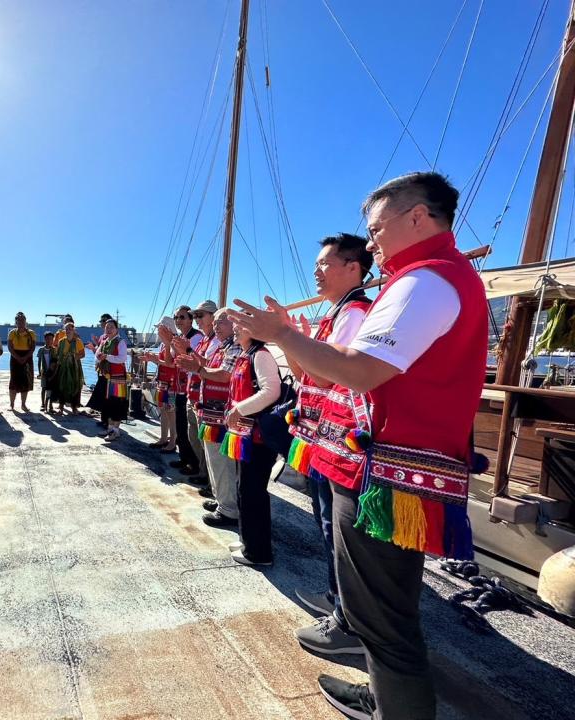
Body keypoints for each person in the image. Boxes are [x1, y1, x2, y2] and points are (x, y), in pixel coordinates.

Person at [228, 172, 487, 720]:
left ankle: (397, 710)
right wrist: (290, 336)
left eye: (376, 229)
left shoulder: (427, 280)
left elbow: (360, 372)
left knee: (381, 617)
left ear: (417, 217)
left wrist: (282, 335)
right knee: (385, 607)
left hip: (386, 475)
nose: (370, 243)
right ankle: (385, 695)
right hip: (394, 471)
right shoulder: (439, 276)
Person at [284, 234, 373, 657]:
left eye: (325, 264)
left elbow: (321, 378)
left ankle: (347, 619)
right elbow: (305, 374)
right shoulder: (336, 314)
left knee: (334, 526)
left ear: (353, 268)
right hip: (323, 436)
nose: (316, 272)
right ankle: (338, 599)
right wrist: (295, 341)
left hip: (340, 442)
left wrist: (284, 336)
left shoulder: (353, 315)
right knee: (325, 522)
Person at [219, 318, 281, 561]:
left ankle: (259, 551)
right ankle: (248, 540)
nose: (235, 328)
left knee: (253, 491)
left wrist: (239, 409)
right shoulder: (247, 354)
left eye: (240, 325)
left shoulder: (261, 355)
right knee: (244, 488)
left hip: (257, 437)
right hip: (244, 435)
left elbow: (271, 391)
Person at [176, 309, 240, 527]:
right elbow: (208, 364)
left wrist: (198, 369)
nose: (216, 325)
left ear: (235, 325)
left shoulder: (235, 346)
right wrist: (190, 355)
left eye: (221, 321)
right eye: (217, 322)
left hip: (220, 414)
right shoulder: (224, 346)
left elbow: (224, 374)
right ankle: (221, 499)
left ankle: (229, 509)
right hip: (211, 411)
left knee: (222, 462)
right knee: (214, 460)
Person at [174, 300, 219, 488]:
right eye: (195, 315)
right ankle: (203, 473)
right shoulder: (204, 340)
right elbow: (195, 363)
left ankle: (211, 482)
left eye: (200, 315)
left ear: (213, 317)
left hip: (206, 400)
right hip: (194, 395)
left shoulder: (215, 341)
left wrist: (188, 350)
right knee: (196, 438)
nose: (197, 319)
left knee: (206, 443)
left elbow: (210, 366)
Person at [170, 305, 203, 477]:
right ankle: (184, 457)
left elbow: (194, 361)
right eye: (176, 317)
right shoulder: (181, 337)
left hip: (191, 388)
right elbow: (173, 360)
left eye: (182, 317)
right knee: (181, 426)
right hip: (181, 386)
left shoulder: (196, 337)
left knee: (190, 428)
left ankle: (194, 463)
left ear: (191, 319)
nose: (178, 320)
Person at [140, 317, 179, 452]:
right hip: (162, 381)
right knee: (163, 410)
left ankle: (172, 441)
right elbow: (164, 361)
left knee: (171, 412)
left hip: (171, 382)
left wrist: (155, 359)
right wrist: (154, 359)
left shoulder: (174, 343)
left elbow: (171, 363)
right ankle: (163, 438)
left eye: (160, 328)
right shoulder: (163, 344)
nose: (157, 330)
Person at [95, 318, 128, 441]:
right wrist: (98, 356)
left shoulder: (120, 342)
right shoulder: (104, 342)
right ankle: (109, 428)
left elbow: (122, 358)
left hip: (118, 378)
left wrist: (106, 356)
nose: (108, 329)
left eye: (111, 327)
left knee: (117, 404)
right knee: (108, 403)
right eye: (106, 327)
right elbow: (97, 355)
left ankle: (116, 431)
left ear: (116, 329)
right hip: (107, 377)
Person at [85, 313, 113, 426]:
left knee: (107, 395)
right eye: (102, 321)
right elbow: (98, 354)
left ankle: (108, 420)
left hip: (109, 371)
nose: (102, 323)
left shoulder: (113, 338)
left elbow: (109, 354)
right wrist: (94, 347)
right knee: (102, 394)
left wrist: (96, 347)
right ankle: (104, 419)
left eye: (104, 321)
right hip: (101, 369)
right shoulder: (102, 337)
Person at [53, 322, 86, 413]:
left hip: (74, 367)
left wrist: (74, 357)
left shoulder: (78, 341)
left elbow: (83, 354)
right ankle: (61, 406)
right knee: (62, 385)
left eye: (70, 329)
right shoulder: (61, 341)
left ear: (73, 330)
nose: (68, 331)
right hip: (63, 366)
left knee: (75, 386)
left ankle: (74, 406)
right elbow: (58, 354)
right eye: (66, 329)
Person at [8, 312, 36, 412]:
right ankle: (11, 404)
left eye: (22, 320)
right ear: (16, 322)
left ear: (25, 321)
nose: (21, 322)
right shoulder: (12, 333)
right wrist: (17, 357)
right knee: (13, 381)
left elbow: (33, 347)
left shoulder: (31, 333)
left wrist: (25, 357)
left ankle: (23, 405)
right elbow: (10, 347)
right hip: (15, 357)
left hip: (27, 357)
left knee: (26, 381)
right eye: (19, 320)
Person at [37, 332, 57, 413]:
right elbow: (39, 362)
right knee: (43, 388)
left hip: (52, 373)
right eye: (47, 338)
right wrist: (39, 372)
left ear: (53, 340)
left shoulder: (54, 350)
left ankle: (50, 405)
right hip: (44, 372)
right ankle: (42, 404)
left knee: (51, 389)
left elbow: (56, 361)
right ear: (45, 339)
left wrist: (55, 372)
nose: (49, 340)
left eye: (51, 339)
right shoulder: (41, 349)